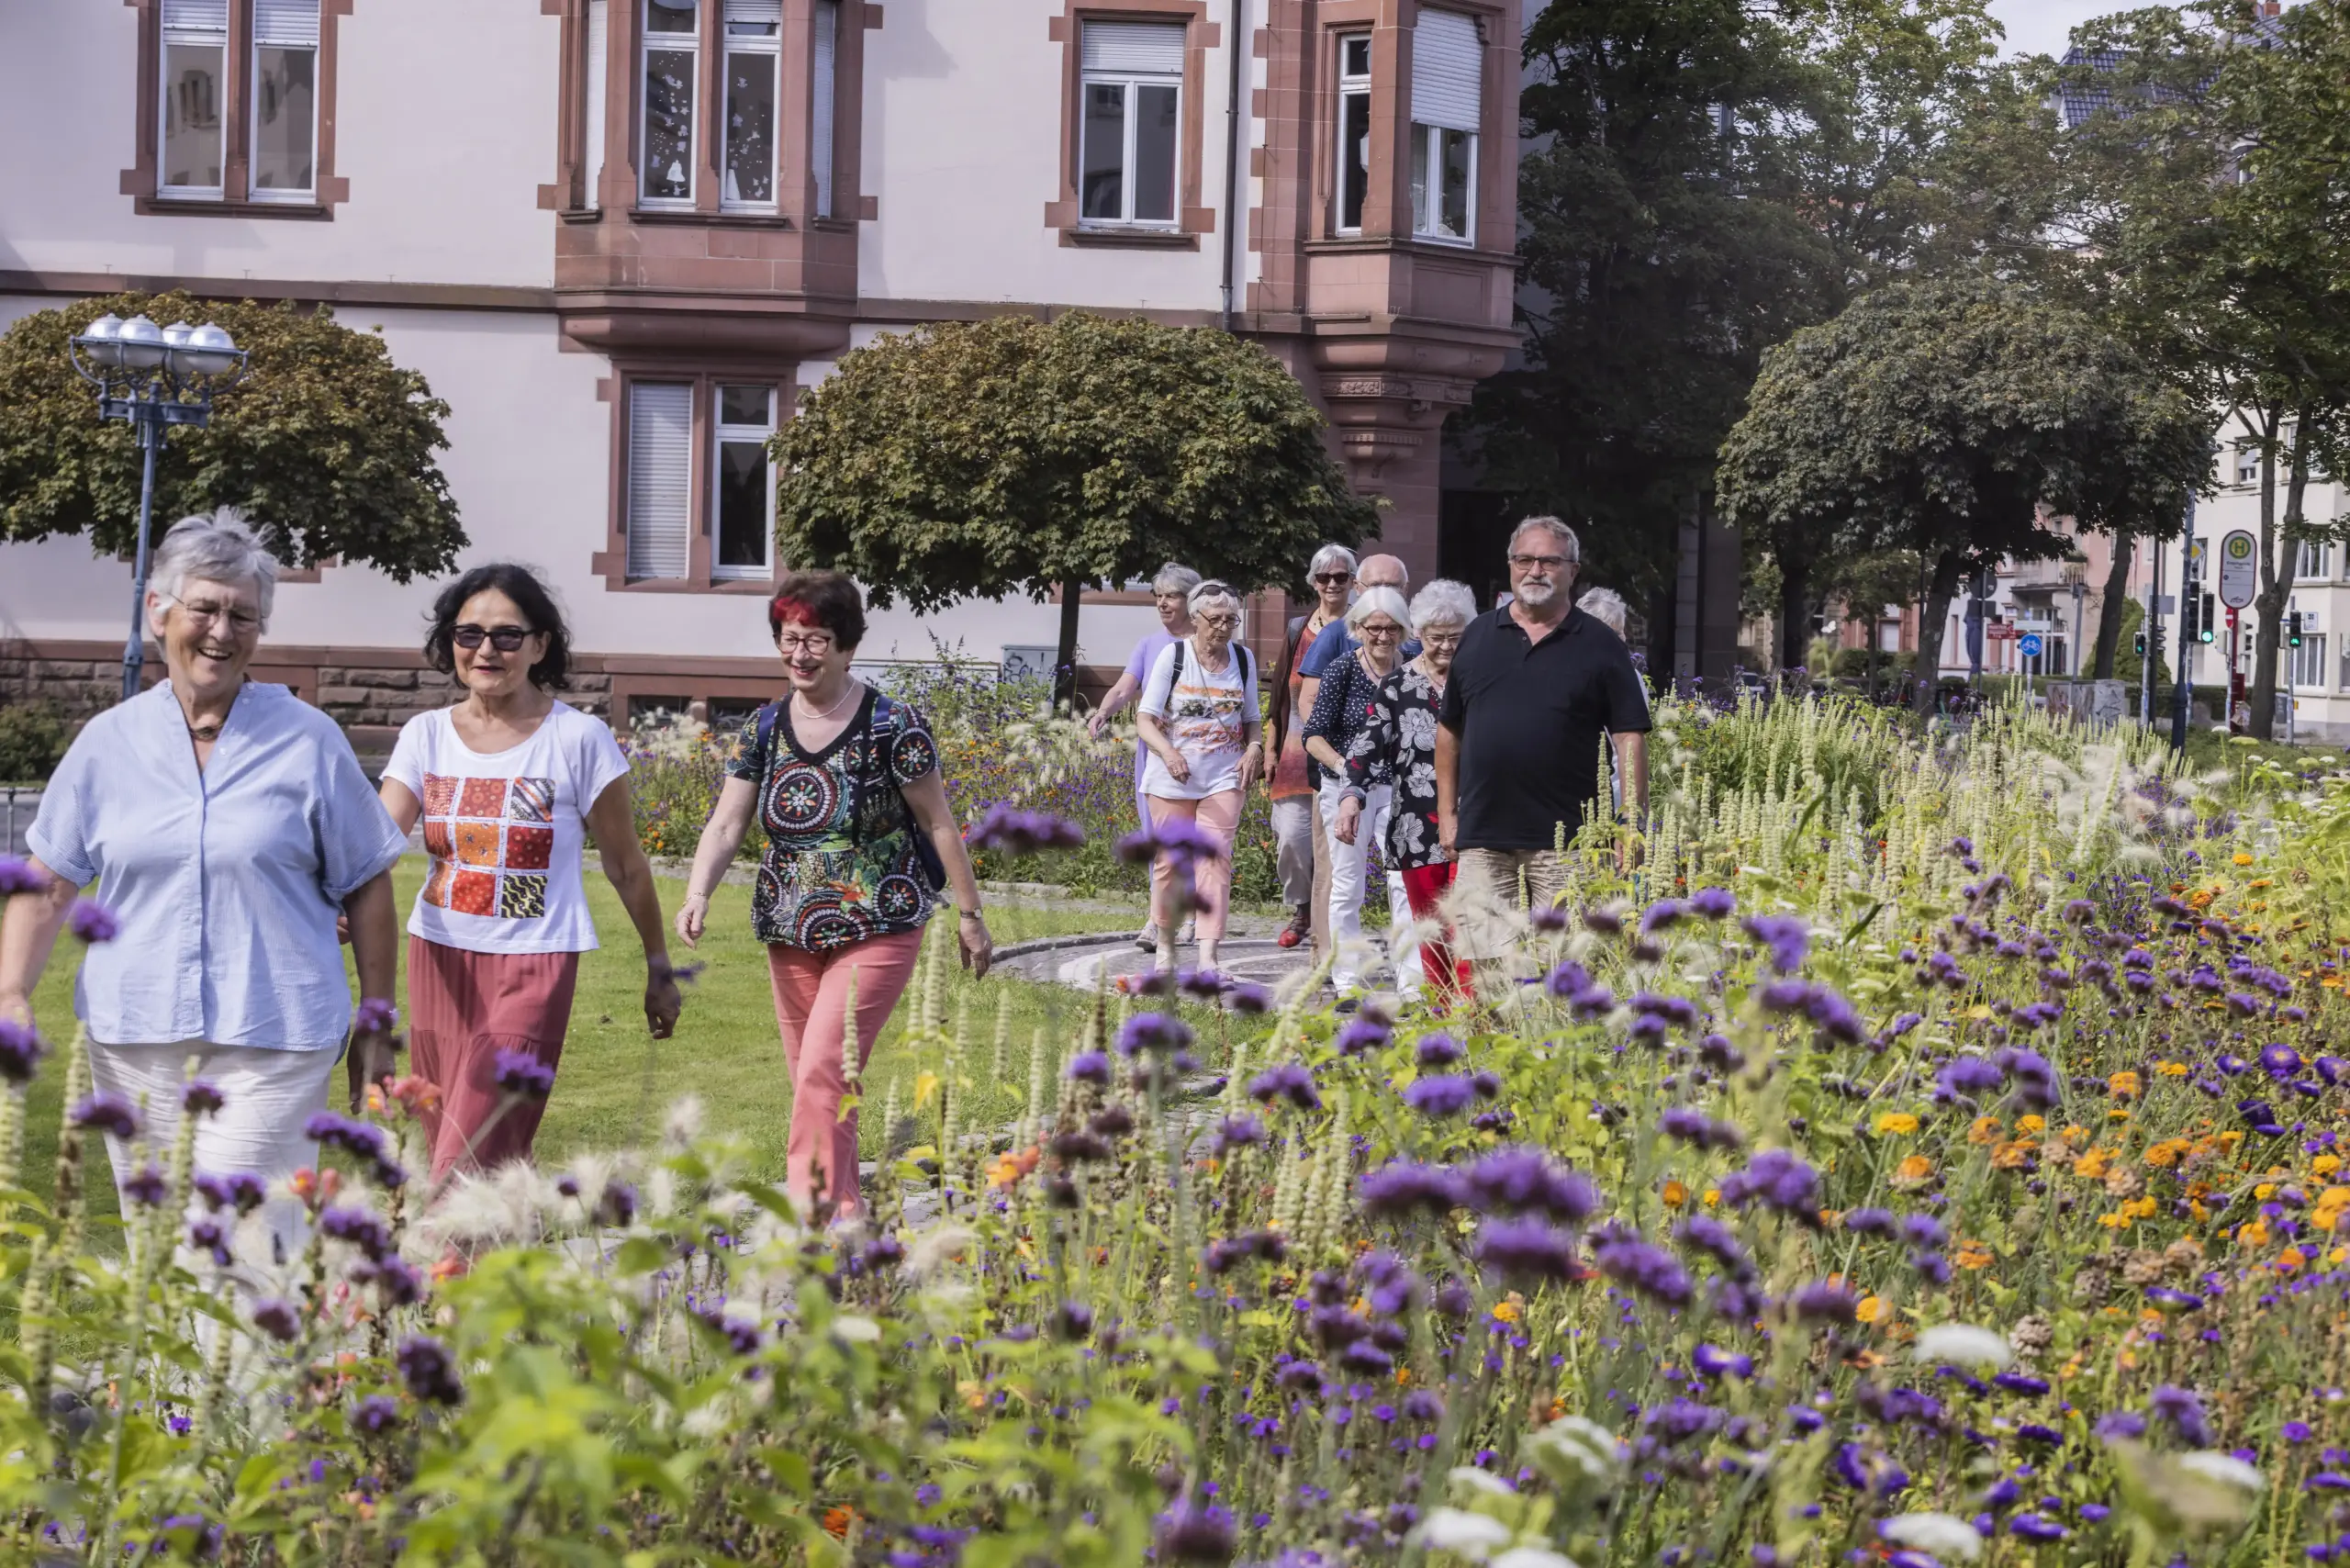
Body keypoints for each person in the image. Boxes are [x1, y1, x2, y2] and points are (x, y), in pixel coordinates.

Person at [0, 510, 408, 1256]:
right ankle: (168, 1379)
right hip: (134, 1040)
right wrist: (11, 992)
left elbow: (368, 882)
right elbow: (50, 880)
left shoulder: (307, 740)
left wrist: (376, 1024)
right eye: (206, 608)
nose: (222, 631)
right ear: (158, 613)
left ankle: (256, 1377)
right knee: (158, 1251)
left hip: (273, 1035)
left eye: (242, 615)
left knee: (246, 1252)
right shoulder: (108, 744)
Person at [676, 571, 992, 1222]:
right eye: (790, 640)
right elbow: (729, 821)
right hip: (790, 925)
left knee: (824, 1071)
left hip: (878, 919)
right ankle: (845, 1219)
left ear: (846, 647)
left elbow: (938, 821)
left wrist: (970, 915)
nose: (800, 655)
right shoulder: (763, 729)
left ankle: (809, 1222)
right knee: (819, 1083)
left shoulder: (892, 725)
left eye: (815, 640)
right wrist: (698, 892)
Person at [377, 564, 682, 1181]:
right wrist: (329, 897)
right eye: (470, 635)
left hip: (533, 966)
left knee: (471, 1148)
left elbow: (626, 866)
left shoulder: (579, 739)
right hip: (438, 959)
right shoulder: (424, 735)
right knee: (456, 1141)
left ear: (540, 645)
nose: (487, 650)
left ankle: (424, 1273)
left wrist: (659, 969)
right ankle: (489, 1273)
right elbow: (377, 839)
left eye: (507, 636)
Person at [1436, 518, 1651, 949]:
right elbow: (1449, 731)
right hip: (1484, 839)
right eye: (1525, 559)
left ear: (1573, 570)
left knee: (1566, 968)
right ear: (1511, 565)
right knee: (1488, 971)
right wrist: (1447, 815)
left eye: (1549, 561)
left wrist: (1632, 823)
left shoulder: (1600, 644)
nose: (1535, 570)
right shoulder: (1478, 634)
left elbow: (1630, 736)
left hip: (1570, 844)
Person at [1335, 581, 1477, 1007]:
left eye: (1455, 637)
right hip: (1416, 825)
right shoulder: (1398, 686)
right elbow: (1366, 743)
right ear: (1419, 634)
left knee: (1467, 921)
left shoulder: (1480, 683)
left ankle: (1472, 1012)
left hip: (1474, 819)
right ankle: (1441, 1007)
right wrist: (1350, 795)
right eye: (1436, 637)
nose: (1446, 646)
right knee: (1430, 924)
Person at [1298, 552, 1421, 985]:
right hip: (1346, 790)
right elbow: (1312, 733)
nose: (1382, 637)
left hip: (1403, 791)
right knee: (1347, 884)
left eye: (1391, 629)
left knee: (1404, 884)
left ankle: (1412, 984)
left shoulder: (1414, 673)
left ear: (1404, 632)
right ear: (1359, 630)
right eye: (1374, 628)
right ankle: (1347, 979)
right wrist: (1346, 768)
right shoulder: (1341, 670)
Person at [1135, 580, 1263, 975]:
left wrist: (1254, 748)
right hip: (1172, 778)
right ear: (1196, 619)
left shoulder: (1243, 660)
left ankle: (1209, 958)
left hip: (1223, 776)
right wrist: (1169, 752)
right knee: (1170, 863)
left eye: (1231, 619)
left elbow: (1252, 719)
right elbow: (1144, 720)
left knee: (1216, 861)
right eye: (1216, 619)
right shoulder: (1174, 657)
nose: (1224, 627)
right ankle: (1166, 952)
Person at [1088, 563, 1201, 952]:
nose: (1162, 603)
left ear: (1191, 600)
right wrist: (1103, 711)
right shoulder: (1149, 645)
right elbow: (1124, 688)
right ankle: (1158, 917)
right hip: (1154, 754)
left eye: (1171, 596)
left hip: (1201, 752)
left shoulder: (1207, 642)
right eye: (1158, 596)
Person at [1266, 544, 1354, 951]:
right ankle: (1301, 906)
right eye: (1324, 577)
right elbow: (1279, 695)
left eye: (1341, 577)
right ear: (1313, 583)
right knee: (1292, 838)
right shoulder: (1297, 629)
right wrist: (1268, 748)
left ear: (1354, 581)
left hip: (1349, 756)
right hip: (1297, 756)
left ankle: (1331, 924)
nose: (1333, 584)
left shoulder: (1365, 627)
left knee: (1340, 846)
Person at [1574, 588, 1650, 815]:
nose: (1620, 641)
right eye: (1612, 633)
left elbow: (1637, 743)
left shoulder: (1631, 679)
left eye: (1620, 633)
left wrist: (1639, 810)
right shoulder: (1562, 674)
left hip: (1617, 796)